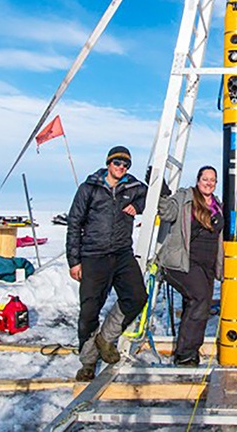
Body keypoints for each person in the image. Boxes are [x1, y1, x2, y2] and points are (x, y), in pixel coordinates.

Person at [66, 145, 148, 381]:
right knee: (90, 310)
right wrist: (74, 260)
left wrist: (139, 206)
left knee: (137, 297)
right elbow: (74, 223)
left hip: (122, 253)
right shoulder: (89, 188)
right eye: (117, 163)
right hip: (94, 255)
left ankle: (105, 339)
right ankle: (88, 362)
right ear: (108, 163)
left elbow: (153, 193)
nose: (121, 168)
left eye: (125, 165)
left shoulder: (132, 186)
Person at [156, 166, 224, 366]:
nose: (209, 183)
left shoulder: (217, 204)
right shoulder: (185, 198)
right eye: (205, 179)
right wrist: (160, 191)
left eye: (213, 180)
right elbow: (167, 213)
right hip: (183, 262)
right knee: (200, 298)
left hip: (207, 265)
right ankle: (186, 353)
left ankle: (188, 350)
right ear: (198, 179)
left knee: (195, 304)